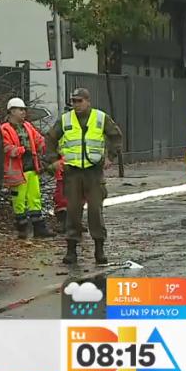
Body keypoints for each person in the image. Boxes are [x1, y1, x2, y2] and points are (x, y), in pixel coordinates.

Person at [45, 88, 123, 265]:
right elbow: (50, 138)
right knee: (72, 212)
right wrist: (53, 160)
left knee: (95, 211)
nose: (76, 104)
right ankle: (71, 250)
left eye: (80, 101)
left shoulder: (100, 118)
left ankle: (99, 249)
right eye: (74, 101)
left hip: (93, 172)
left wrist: (110, 157)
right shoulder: (66, 119)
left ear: (88, 101)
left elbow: (116, 136)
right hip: (72, 172)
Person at [1, 97, 55, 239]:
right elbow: (6, 148)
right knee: (19, 201)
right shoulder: (4, 129)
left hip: (31, 168)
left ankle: (39, 229)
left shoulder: (28, 126)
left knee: (34, 198)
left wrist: (46, 145)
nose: (23, 112)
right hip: (16, 171)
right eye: (20, 110)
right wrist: (22, 150)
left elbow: (39, 140)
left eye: (24, 110)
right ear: (12, 111)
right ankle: (22, 229)